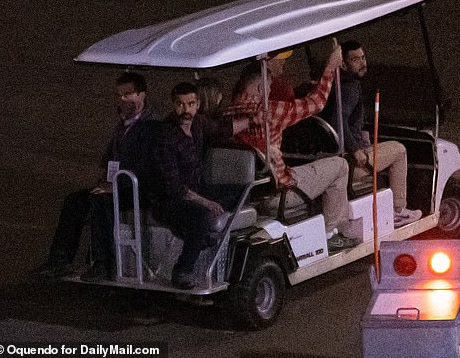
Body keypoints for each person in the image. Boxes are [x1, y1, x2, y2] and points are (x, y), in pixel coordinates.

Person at [228, 44, 359, 253]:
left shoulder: (226, 114)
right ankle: (330, 234)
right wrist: (330, 68)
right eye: (269, 87)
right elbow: (316, 104)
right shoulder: (270, 110)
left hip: (245, 194)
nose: (271, 91)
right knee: (341, 165)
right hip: (278, 192)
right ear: (261, 88)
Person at [32, 72, 158, 279]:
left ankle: (104, 263)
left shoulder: (152, 126)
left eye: (128, 94)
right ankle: (60, 259)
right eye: (120, 95)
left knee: (100, 200)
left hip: (141, 189)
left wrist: (113, 187)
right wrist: (104, 178)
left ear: (142, 95)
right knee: (75, 200)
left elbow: (146, 166)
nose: (123, 99)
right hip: (121, 184)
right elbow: (111, 156)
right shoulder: (125, 123)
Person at [145, 82, 251, 289]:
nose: (186, 110)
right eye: (180, 105)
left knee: (242, 190)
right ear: (174, 105)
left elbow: (223, 130)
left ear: (198, 104)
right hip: (169, 200)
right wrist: (206, 202)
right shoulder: (165, 135)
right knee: (202, 215)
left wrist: (252, 120)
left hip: (195, 190)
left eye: (190, 104)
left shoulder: (198, 123)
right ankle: (183, 270)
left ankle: (200, 236)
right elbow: (173, 186)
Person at [321, 40, 422, 228]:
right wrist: (355, 149)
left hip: (344, 157)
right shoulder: (348, 88)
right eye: (355, 60)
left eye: (363, 57)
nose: (362, 63)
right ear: (343, 64)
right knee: (399, 150)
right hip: (351, 163)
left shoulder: (337, 83)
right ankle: (398, 210)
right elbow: (338, 121)